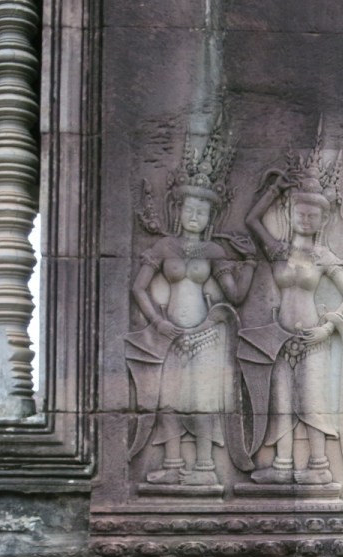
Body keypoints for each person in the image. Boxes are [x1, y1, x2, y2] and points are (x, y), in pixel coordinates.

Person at [126, 127, 253, 486]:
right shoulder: (164, 247)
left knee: (203, 402)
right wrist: (157, 322)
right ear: (177, 209)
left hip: (206, 334)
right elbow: (139, 288)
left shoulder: (214, 251)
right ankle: (172, 464)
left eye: (202, 210)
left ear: (211, 216)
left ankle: (205, 467)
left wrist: (250, 262)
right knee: (168, 401)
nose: (195, 215)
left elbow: (235, 295)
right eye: (190, 208)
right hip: (168, 334)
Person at [240, 141, 343, 486]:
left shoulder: (323, 256)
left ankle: (319, 465)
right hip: (279, 339)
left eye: (313, 215)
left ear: (322, 219)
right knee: (281, 403)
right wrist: (275, 190)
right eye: (300, 213)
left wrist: (328, 328)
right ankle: (282, 464)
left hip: (313, 338)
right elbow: (251, 220)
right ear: (290, 213)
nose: (306, 219)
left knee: (313, 403)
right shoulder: (278, 250)